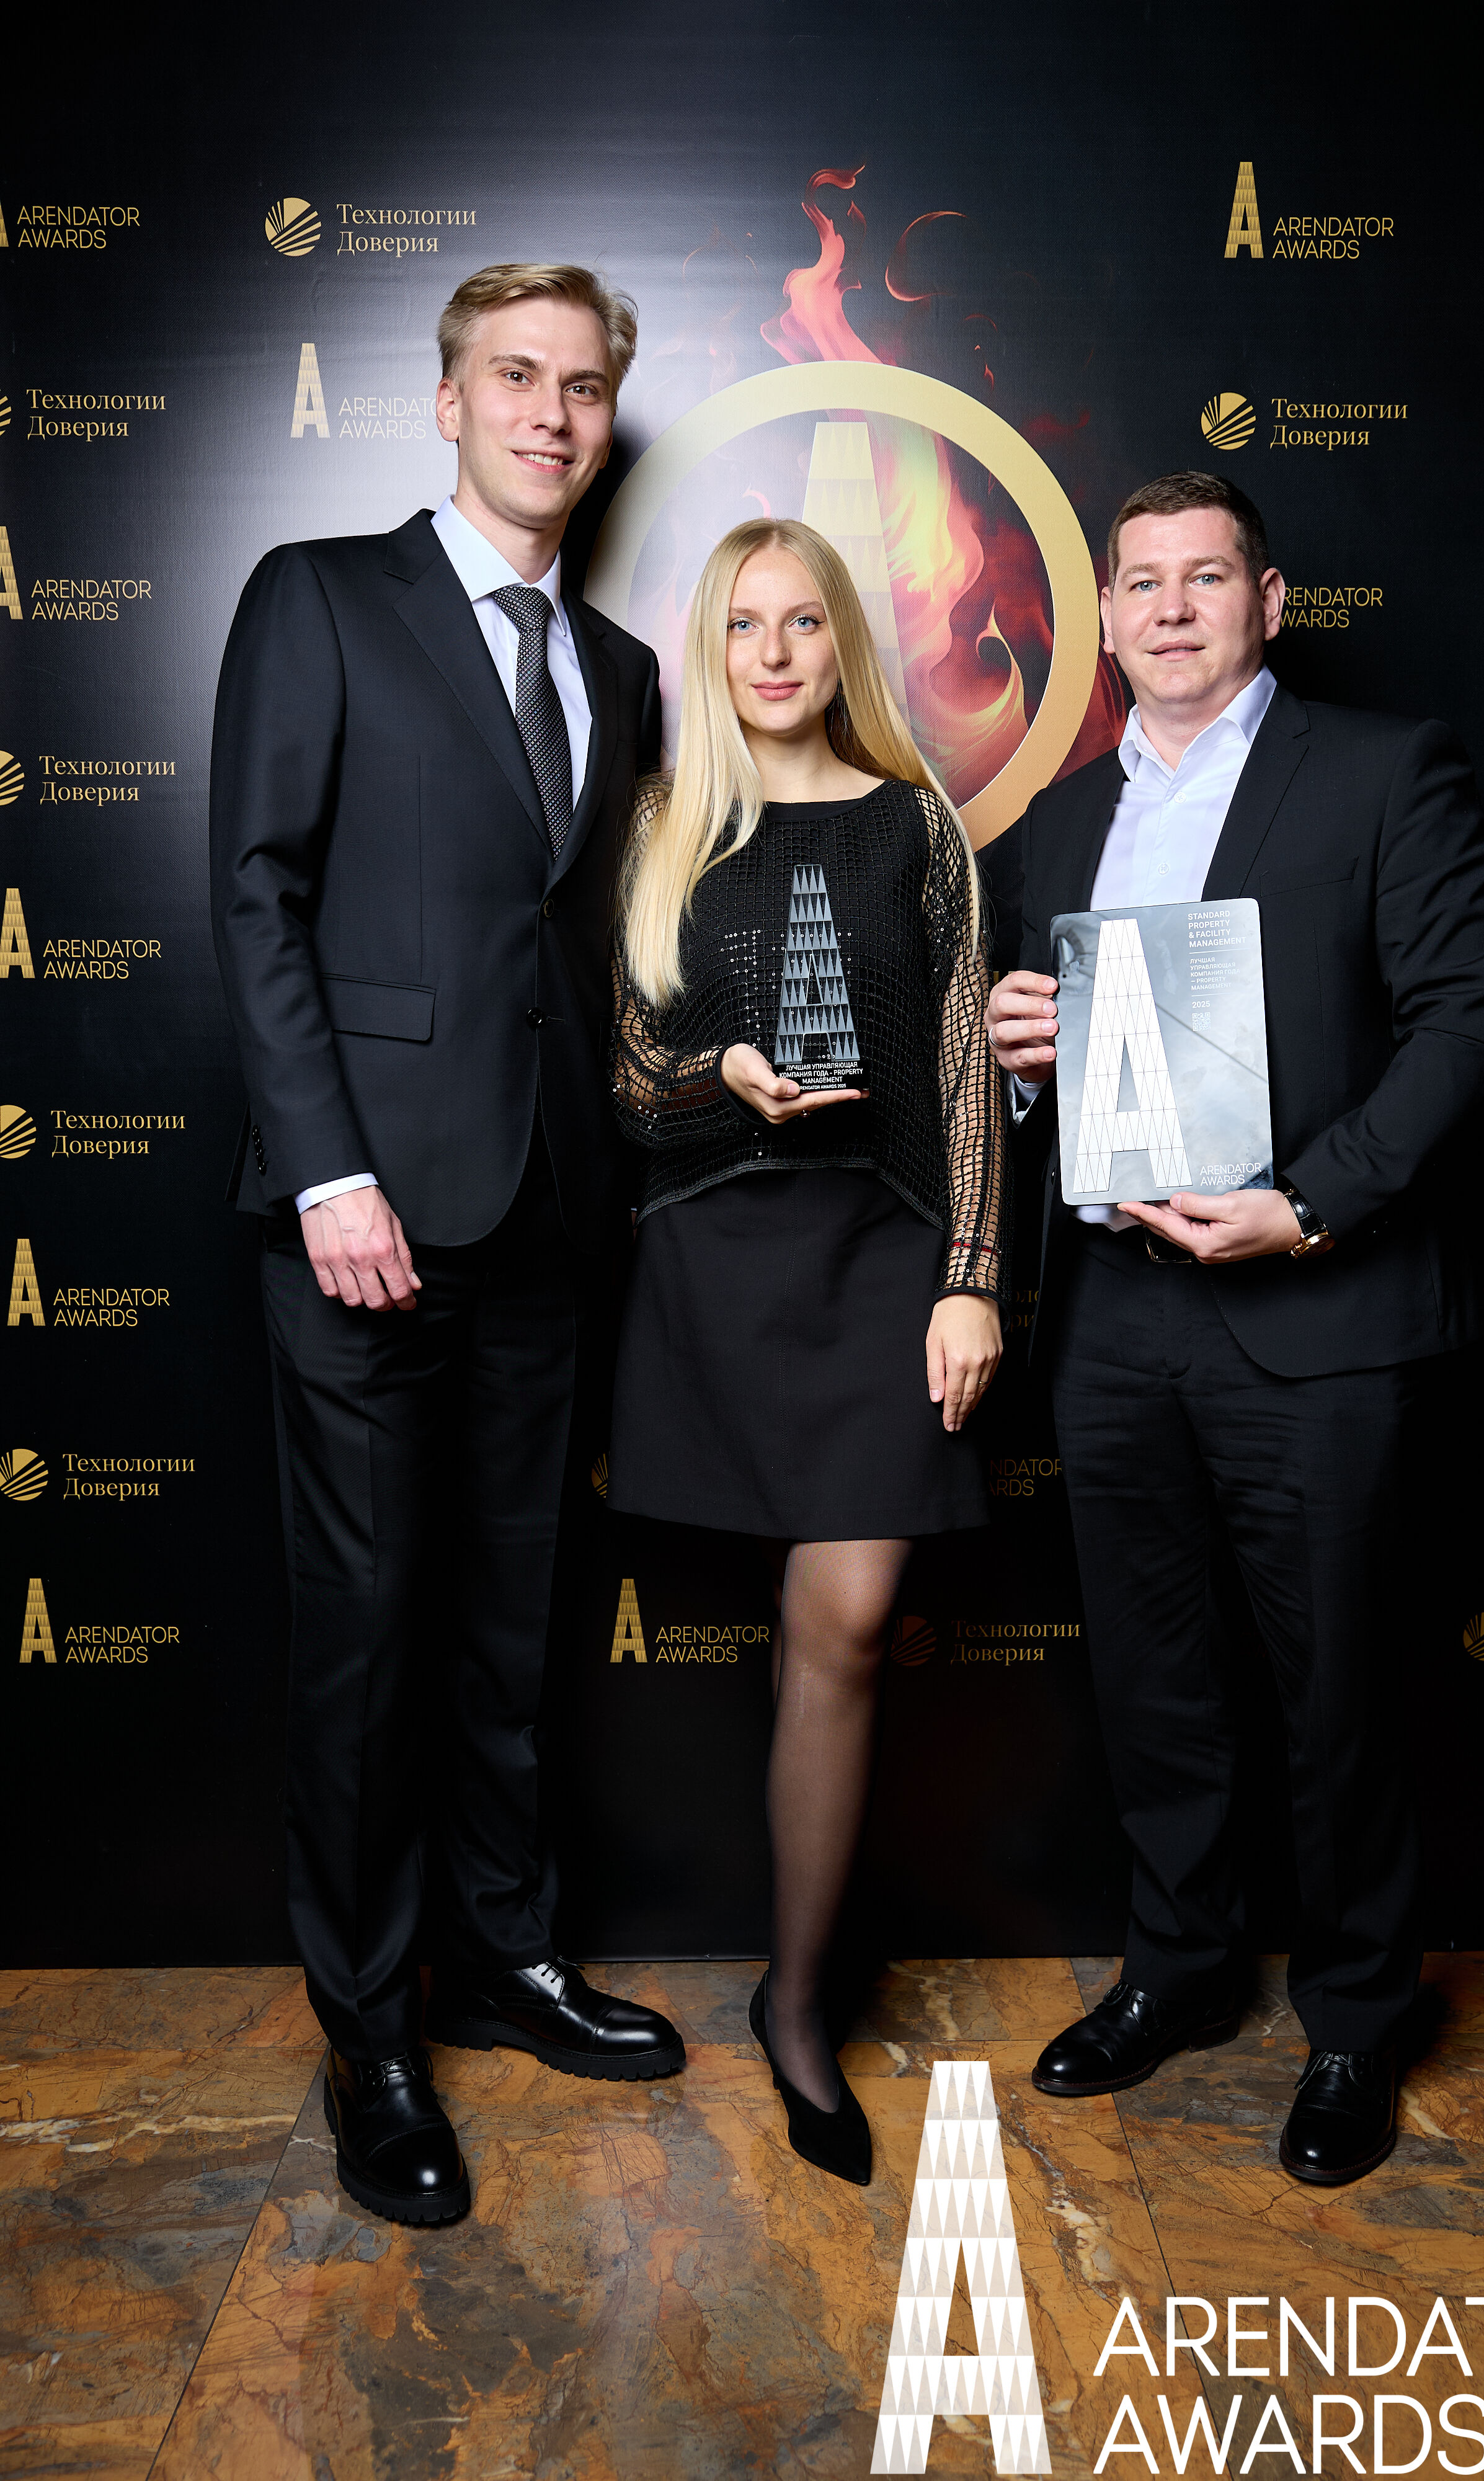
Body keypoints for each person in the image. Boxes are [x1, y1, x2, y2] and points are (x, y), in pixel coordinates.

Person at [210, 263, 685, 2229]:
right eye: (515, 376)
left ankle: (502, 1957)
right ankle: (371, 2035)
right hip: (364, 1226)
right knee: (367, 1642)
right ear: (446, 400)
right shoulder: (320, 596)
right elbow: (257, 889)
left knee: (509, 1632)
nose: (550, 414)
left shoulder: (623, 672)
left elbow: (595, 956)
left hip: (549, 1221)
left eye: (580, 387)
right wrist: (329, 1173)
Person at [985, 471, 1484, 2186]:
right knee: (1156, 1681)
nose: (1169, 608)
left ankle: (1356, 2019)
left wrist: (1310, 1202)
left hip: (1316, 1308)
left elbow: (1466, 1029)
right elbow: (1036, 1073)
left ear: (1266, 603)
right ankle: (1180, 1967)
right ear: (1106, 614)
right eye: (1140, 582)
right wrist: (1015, 1053)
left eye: (1203, 577)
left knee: (1340, 1688)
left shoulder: (1382, 769)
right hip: (1114, 1318)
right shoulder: (1059, 822)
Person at [607, 517, 1005, 2185]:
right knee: (800, 1628)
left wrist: (972, 1276)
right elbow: (631, 1083)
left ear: (845, 641)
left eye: (802, 623)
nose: (771, 654)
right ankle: (792, 1997)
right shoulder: (664, 826)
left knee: (842, 1619)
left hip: (885, 1254)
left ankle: (798, 1998)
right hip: (720, 1261)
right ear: (713, 647)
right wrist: (725, 1079)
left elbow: (967, 1063)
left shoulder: (918, 823)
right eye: (741, 624)